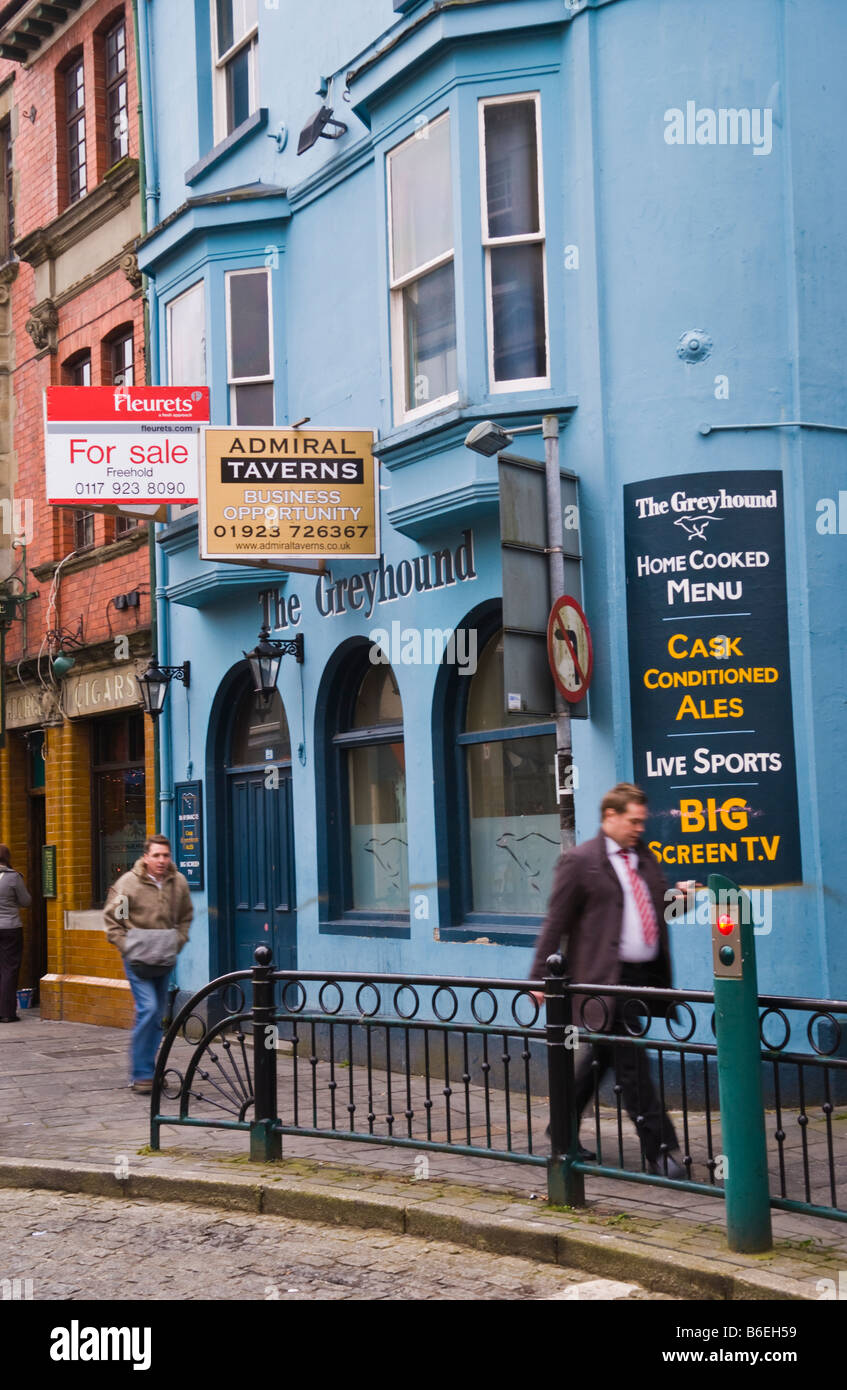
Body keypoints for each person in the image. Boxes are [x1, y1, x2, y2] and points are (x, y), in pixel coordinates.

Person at [530, 783, 692, 1178]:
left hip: (640, 978)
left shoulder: (644, 859)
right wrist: (538, 977)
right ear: (610, 817)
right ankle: (661, 1150)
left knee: (604, 1057)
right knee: (633, 1064)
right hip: (604, 979)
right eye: (633, 821)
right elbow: (557, 921)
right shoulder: (581, 861)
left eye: (642, 821)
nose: (639, 828)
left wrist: (678, 899)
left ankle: (561, 1130)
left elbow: (652, 912)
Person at [105, 834, 193, 1094]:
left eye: (165, 855)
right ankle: (141, 1073)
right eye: (156, 855)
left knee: (157, 1017)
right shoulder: (128, 885)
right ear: (146, 857)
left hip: (164, 959)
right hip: (137, 961)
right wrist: (127, 947)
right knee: (149, 1009)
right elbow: (114, 922)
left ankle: (149, 1069)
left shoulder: (178, 884)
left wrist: (177, 941)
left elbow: (185, 916)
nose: (161, 860)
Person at [0, 845, 32, 1023]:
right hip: (10, 928)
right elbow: (26, 901)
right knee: (9, 969)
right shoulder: (13, 877)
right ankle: (7, 1013)